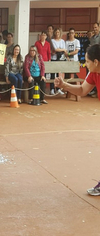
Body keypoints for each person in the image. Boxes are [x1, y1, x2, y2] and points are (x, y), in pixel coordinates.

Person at [54, 44, 100, 196]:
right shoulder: (94, 74)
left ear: (96, 62)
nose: (85, 64)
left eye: (87, 62)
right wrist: (64, 85)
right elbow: (82, 90)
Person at [51, 28, 67, 95]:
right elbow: (55, 49)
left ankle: (58, 89)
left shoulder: (62, 41)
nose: (57, 34)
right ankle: (52, 89)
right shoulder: (52, 40)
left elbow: (64, 50)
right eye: (56, 32)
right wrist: (60, 49)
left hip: (60, 59)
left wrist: (60, 50)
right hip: (53, 59)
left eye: (58, 32)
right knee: (52, 74)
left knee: (58, 74)